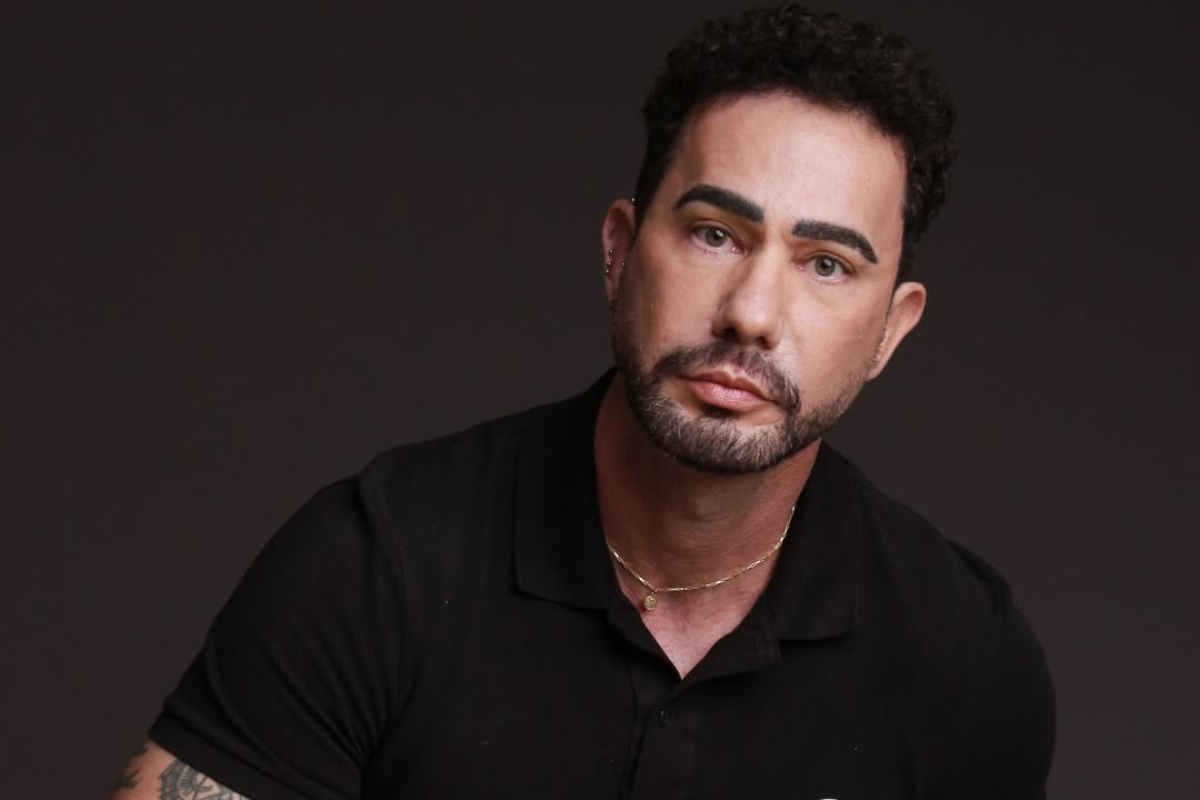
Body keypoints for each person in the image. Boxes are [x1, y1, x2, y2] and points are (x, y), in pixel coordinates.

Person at [111, 4, 1055, 799]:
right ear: (619, 250)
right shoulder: (373, 568)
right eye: (715, 234)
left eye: (827, 264)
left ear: (890, 331)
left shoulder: (964, 657)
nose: (753, 313)